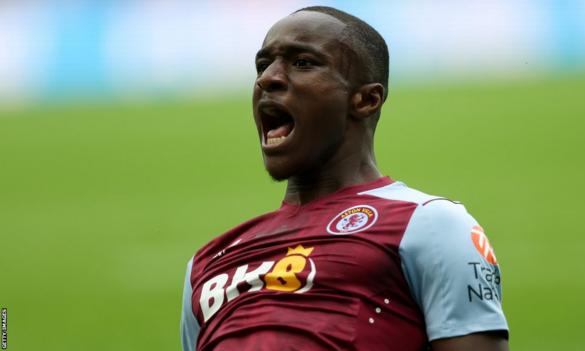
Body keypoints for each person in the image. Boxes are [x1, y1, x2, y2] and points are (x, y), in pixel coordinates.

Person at [181, 6, 509, 351]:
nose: (267, 79)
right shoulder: (206, 264)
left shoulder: (430, 226)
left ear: (366, 100)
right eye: (263, 65)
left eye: (303, 62)